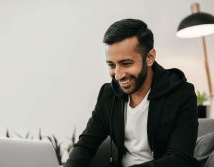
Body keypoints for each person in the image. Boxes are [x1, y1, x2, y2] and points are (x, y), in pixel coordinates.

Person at [64, 19, 199, 167]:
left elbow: (179, 160)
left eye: (126, 63)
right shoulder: (108, 94)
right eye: (111, 65)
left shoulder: (181, 94)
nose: (118, 75)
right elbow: (85, 146)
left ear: (149, 58)